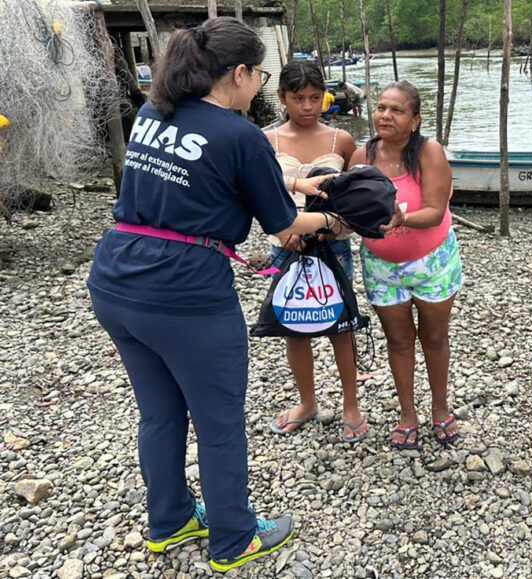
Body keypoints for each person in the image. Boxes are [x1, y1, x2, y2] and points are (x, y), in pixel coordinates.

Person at [86, 17, 345, 573]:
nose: (259, 86)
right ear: (242, 73)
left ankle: (170, 520)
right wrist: (343, 218)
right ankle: (234, 537)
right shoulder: (240, 134)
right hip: (185, 293)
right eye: (261, 76)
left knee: (158, 413)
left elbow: (194, 180)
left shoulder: (154, 114)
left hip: (115, 278)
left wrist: (292, 186)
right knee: (218, 420)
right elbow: (284, 228)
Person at [349, 80, 463, 450]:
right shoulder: (361, 157)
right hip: (382, 266)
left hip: (433, 262)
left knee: (434, 336)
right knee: (398, 340)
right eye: (381, 107)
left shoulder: (430, 153)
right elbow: (349, 209)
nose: (385, 115)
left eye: (396, 110)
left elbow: (434, 212)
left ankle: (441, 408)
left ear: (415, 119)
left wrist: (402, 219)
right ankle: (407, 413)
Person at [262, 60, 370, 441]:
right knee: (295, 326)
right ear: (282, 98)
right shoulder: (267, 140)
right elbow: (260, 197)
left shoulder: (340, 140)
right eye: (298, 98)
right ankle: (306, 401)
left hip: (333, 243)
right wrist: (280, 234)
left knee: (341, 325)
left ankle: (351, 403)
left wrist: (336, 228)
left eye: (313, 98)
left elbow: (357, 195)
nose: (307, 107)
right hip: (286, 244)